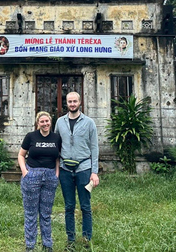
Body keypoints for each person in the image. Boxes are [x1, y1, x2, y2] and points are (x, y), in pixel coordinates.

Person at [56, 91, 99, 249]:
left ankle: (87, 239)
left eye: (75, 101)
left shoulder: (89, 123)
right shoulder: (60, 122)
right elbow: (57, 144)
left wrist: (94, 172)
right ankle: (70, 240)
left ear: (80, 102)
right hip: (65, 169)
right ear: (66, 103)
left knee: (85, 206)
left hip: (84, 168)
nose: (72, 104)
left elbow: (94, 148)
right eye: (69, 101)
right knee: (68, 206)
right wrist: (56, 167)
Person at [19, 111, 61, 252]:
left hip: (50, 177)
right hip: (32, 176)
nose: (45, 124)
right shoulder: (31, 136)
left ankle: (47, 245)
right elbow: (21, 154)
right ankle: (30, 246)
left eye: (47, 121)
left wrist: (56, 174)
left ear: (50, 122)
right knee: (31, 213)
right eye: (42, 122)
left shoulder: (56, 138)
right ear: (38, 123)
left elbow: (57, 158)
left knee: (46, 213)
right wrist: (25, 172)